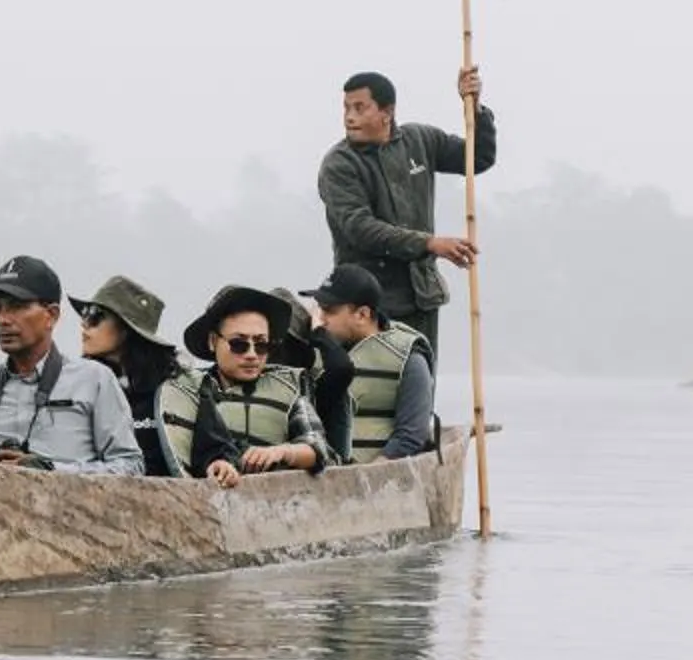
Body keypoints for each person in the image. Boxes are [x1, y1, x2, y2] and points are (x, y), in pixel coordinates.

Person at [316, 66, 495, 368]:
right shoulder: (339, 164)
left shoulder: (420, 140)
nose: (349, 117)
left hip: (421, 297)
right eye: (346, 108)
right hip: (366, 306)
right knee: (374, 387)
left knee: (419, 382)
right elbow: (360, 228)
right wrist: (429, 243)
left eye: (360, 108)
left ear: (387, 112)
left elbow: (477, 157)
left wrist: (474, 107)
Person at [0, 255, 145, 471]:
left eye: (16, 306)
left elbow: (131, 466)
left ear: (51, 315)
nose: (2, 319)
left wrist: (50, 470)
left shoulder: (95, 382)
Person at [70, 273, 237, 479]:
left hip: (173, 498)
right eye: (84, 314)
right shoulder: (80, 386)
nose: (84, 324)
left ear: (126, 329)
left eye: (95, 316)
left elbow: (217, 448)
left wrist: (219, 464)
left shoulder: (182, 387)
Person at [182, 285, 330, 481]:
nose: (252, 354)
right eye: (239, 344)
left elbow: (319, 449)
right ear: (212, 341)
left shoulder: (289, 388)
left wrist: (281, 452)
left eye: (261, 344)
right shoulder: (188, 390)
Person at [313, 265, 437, 459]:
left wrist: (371, 472)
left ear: (362, 314)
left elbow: (411, 436)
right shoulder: (316, 348)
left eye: (329, 310)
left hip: (378, 471)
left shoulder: (409, 358)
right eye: (319, 307)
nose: (320, 318)